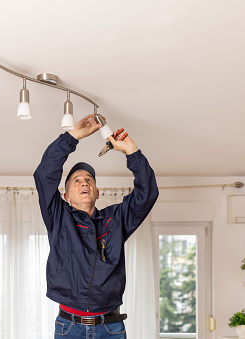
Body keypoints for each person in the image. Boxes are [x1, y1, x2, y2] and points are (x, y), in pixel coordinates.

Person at [34, 114, 159, 338]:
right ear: (66, 195)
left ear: (98, 192)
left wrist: (131, 150)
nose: (84, 182)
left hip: (110, 328)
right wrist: (73, 136)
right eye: (77, 180)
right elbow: (44, 174)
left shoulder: (116, 220)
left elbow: (147, 194)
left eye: (89, 180)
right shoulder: (58, 216)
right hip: (69, 328)